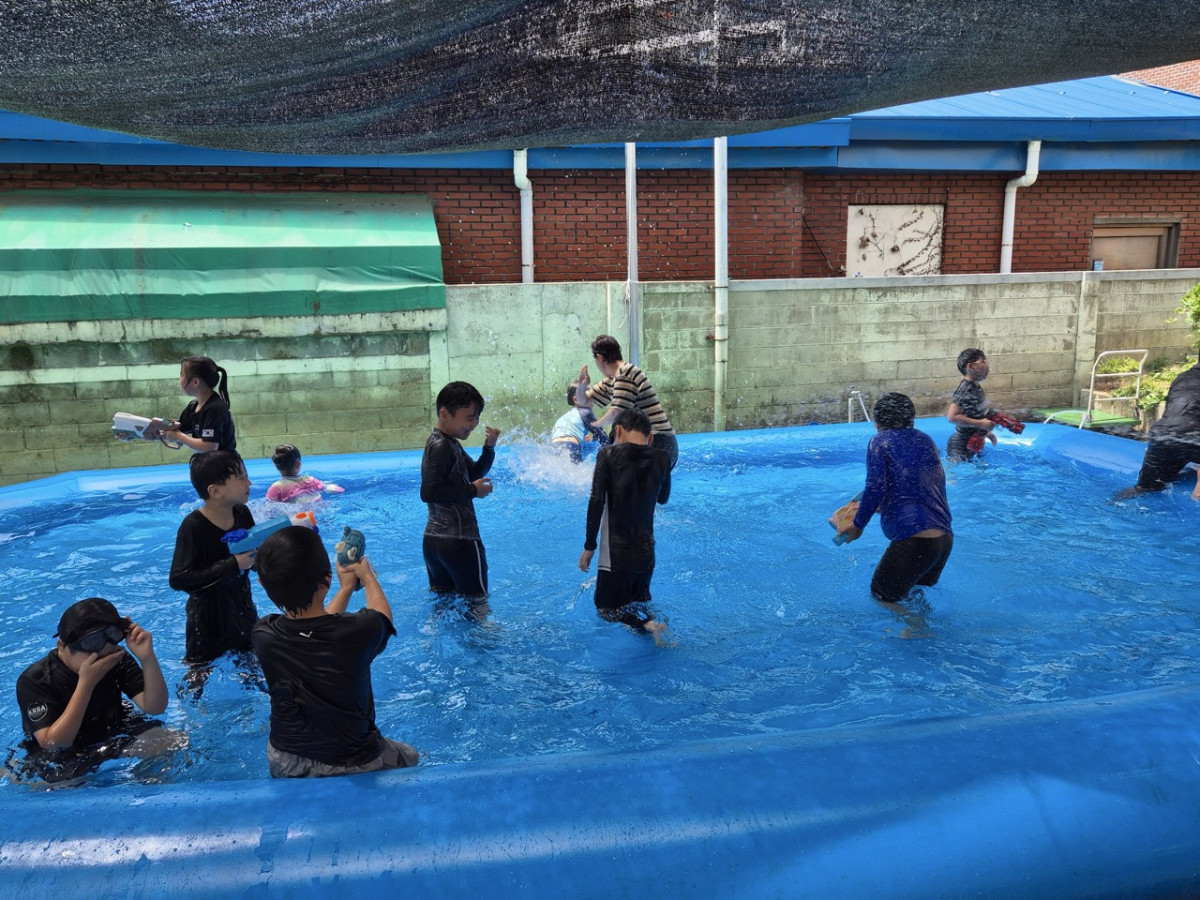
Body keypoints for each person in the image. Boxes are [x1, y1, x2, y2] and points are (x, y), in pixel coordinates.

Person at [251, 525, 419, 778]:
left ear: (263, 583)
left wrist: (345, 589)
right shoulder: (358, 632)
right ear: (326, 579)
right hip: (354, 760)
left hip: (286, 760)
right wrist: (368, 577)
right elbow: (382, 618)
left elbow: (314, 628)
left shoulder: (263, 634)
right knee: (412, 757)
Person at [14, 597, 171, 783]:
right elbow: (53, 743)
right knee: (56, 787)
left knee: (174, 743)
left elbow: (155, 707)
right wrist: (86, 683)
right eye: (93, 654)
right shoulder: (35, 680)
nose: (102, 660)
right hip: (65, 752)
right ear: (62, 646)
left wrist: (147, 657)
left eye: (108, 650)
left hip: (113, 730)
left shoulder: (116, 658)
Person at [837, 392, 953, 608]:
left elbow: (875, 486)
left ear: (877, 422)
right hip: (943, 540)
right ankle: (922, 627)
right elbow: (924, 487)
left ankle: (918, 627)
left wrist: (858, 524)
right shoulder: (925, 440)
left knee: (882, 596)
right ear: (911, 419)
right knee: (916, 597)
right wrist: (883, 505)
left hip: (916, 541)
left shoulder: (879, 442)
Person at [578, 408, 673, 645]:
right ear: (650, 438)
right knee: (639, 602)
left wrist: (589, 546)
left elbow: (596, 501)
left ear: (618, 430)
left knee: (606, 610)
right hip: (646, 552)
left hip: (615, 554)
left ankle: (648, 625)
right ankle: (652, 626)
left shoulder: (608, 454)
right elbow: (663, 498)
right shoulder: (662, 458)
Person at [168, 451, 259, 685]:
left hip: (243, 610)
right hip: (206, 621)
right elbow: (179, 578)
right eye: (241, 477)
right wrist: (233, 564)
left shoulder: (242, 513)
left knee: (255, 672)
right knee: (198, 679)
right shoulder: (193, 526)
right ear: (215, 491)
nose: (248, 483)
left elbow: (254, 555)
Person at [420, 381, 500, 606]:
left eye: (477, 418)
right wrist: (473, 490)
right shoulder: (442, 446)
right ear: (444, 414)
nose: (474, 424)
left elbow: (473, 472)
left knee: (443, 606)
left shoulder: (446, 442)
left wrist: (489, 448)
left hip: (434, 543)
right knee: (477, 606)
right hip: (460, 542)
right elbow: (429, 492)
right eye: (469, 417)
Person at [577, 334, 679, 494]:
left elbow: (617, 411)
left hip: (658, 441)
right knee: (635, 497)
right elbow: (582, 401)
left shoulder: (626, 372)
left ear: (600, 358)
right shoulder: (611, 381)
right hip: (651, 443)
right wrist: (582, 385)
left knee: (630, 495)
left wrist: (595, 425)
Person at [1118, 358, 1200, 499]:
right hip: (1193, 441)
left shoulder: (1182, 379)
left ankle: (1113, 504)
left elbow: (1172, 416)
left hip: (1164, 438)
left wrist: (1155, 447)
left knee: (1144, 489)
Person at [162, 355, 236, 453]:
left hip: (224, 462)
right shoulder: (193, 406)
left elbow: (209, 447)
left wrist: (179, 437)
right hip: (207, 461)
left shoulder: (215, 409)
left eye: (182, 375)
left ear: (195, 382)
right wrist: (159, 423)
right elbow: (177, 425)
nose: (179, 381)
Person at [945, 348, 1008, 462]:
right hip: (960, 445)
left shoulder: (976, 387)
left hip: (973, 441)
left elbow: (975, 414)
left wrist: (985, 432)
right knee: (956, 470)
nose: (987, 366)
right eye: (983, 362)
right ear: (970, 366)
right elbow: (952, 417)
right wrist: (981, 424)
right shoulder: (965, 389)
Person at [551, 379, 608, 463]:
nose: (593, 399)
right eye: (588, 396)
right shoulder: (586, 412)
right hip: (571, 445)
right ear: (576, 399)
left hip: (554, 445)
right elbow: (603, 438)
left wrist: (583, 440)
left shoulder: (567, 416)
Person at [266, 443, 344, 502]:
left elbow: (269, 509)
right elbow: (329, 488)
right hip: (319, 509)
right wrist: (341, 489)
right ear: (298, 464)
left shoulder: (276, 488)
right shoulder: (310, 480)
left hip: (297, 516)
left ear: (275, 465)